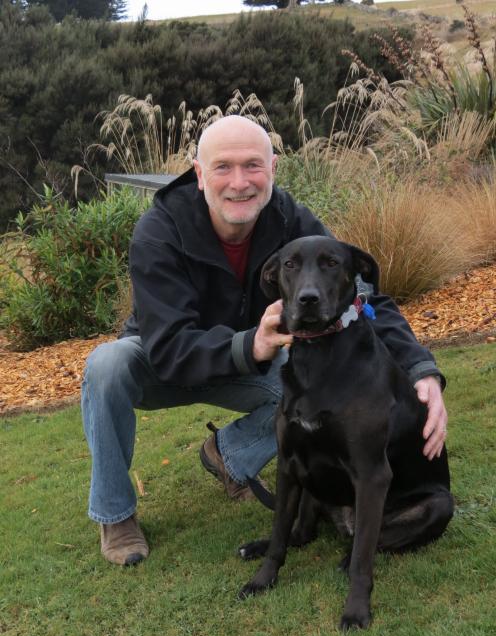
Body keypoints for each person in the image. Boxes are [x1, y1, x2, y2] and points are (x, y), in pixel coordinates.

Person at [81, 115, 448, 566]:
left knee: (306, 397)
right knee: (106, 366)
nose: (240, 182)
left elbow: (365, 301)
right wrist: (250, 343)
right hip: (165, 361)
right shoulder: (160, 230)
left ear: (273, 168)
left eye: (253, 166)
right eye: (223, 167)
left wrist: (421, 370)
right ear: (198, 174)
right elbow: (168, 343)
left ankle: (227, 455)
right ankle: (116, 515)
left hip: (249, 360)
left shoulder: (290, 221)